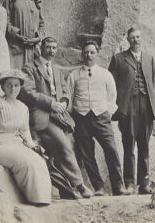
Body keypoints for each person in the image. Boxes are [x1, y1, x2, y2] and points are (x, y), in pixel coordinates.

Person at [20, 37, 93, 198]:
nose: (51, 51)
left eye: (54, 48)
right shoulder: (29, 68)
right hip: (41, 115)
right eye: (48, 47)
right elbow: (28, 93)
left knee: (71, 143)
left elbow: (66, 91)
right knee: (63, 144)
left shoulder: (57, 70)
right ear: (41, 48)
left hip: (59, 115)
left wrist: (64, 102)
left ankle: (66, 190)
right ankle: (80, 186)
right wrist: (51, 103)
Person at [0, 69, 51, 205]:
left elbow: (25, 130)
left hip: (18, 144)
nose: (12, 89)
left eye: (16, 85)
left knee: (39, 160)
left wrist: (32, 145)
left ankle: (42, 199)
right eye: (9, 85)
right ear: (3, 86)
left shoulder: (23, 107)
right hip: (0, 144)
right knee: (25, 162)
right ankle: (34, 199)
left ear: (20, 87)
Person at [68, 41, 127, 196]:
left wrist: (107, 112)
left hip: (101, 117)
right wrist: (73, 115)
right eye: (86, 52)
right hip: (81, 118)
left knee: (111, 150)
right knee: (87, 155)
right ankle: (99, 187)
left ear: (97, 54)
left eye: (92, 52)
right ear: (82, 54)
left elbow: (112, 96)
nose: (89, 55)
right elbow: (70, 96)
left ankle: (119, 187)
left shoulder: (105, 74)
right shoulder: (74, 75)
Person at [108, 27, 155, 194]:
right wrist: (117, 107)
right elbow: (111, 85)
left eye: (138, 37)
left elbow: (152, 84)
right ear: (128, 40)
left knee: (144, 146)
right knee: (129, 145)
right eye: (132, 37)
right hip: (128, 106)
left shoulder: (149, 58)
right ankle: (129, 183)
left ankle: (144, 184)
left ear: (142, 38)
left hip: (146, 106)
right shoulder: (118, 59)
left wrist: (153, 109)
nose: (136, 40)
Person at [4, 0, 45, 69]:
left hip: (34, 48)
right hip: (16, 47)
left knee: (32, 79)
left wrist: (38, 38)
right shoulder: (11, 0)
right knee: (17, 77)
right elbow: (6, 21)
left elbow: (42, 24)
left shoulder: (36, 2)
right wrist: (17, 35)